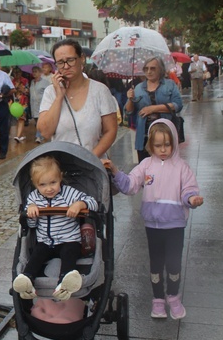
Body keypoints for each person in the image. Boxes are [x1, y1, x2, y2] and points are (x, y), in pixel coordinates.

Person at [104, 119, 204, 319]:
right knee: (156, 263)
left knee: (174, 262)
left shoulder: (182, 167)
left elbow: (189, 190)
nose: (163, 149)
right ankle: (158, 300)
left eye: (167, 144)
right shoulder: (146, 165)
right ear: (150, 145)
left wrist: (192, 199)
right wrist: (115, 171)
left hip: (175, 224)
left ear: (174, 143)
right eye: (158, 145)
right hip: (153, 226)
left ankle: (174, 297)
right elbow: (131, 185)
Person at [12, 155, 99, 301]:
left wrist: (79, 204)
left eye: (53, 182)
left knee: (70, 252)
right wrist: (32, 214)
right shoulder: (34, 198)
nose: (49, 188)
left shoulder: (68, 193)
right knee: (37, 255)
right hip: (45, 241)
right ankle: (27, 279)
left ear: (60, 178)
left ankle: (65, 280)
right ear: (35, 184)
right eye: (43, 185)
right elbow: (32, 226)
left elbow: (93, 203)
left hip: (69, 239)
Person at [38, 39, 118, 158]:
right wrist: (59, 97)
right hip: (62, 166)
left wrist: (90, 158)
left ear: (82, 59)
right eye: (60, 62)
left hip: (94, 164)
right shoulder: (50, 92)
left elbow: (110, 131)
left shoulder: (100, 91)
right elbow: (45, 132)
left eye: (70, 60)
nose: (66, 66)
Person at [125, 57, 183, 162]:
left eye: (153, 68)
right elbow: (129, 111)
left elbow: (178, 105)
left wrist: (153, 109)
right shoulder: (138, 88)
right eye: (146, 69)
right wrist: (130, 99)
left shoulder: (169, 85)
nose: (149, 71)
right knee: (146, 169)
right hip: (144, 134)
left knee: (166, 167)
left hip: (165, 134)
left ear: (160, 70)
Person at [29, 65, 51, 143]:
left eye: (36, 71)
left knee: (40, 120)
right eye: (33, 71)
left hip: (41, 104)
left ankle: (38, 136)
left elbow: (49, 92)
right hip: (33, 104)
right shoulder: (32, 82)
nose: (34, 73)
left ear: (40, 72)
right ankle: (42, 133)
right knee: (36, 119)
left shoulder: (45, 82)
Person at [11, 67, 29, 142]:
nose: (16, 74)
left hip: (23, 102)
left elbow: (27, 92)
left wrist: (22, 89)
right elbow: (11, 91)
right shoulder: (12, 81)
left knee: (21, 118)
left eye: (18, 73)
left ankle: (18, 136)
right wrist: (15, 87)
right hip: (15, 102)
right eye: (15, 73)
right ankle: (21, 134)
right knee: (18, 118)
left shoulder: (25, 80)